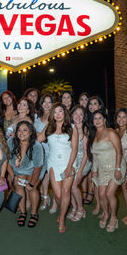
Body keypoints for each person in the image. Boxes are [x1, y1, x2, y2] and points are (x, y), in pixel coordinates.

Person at [88, 109, 126, 232]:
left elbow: (119, 152)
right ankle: (106, 213)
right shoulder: (93, 135)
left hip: (116, 166)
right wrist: (94, 170)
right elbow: (95, 155)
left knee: (109, 193)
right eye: (95, 119)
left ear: (104, 120)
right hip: (102, 169)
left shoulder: (110, 132)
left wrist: (118, 168)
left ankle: (114, 218)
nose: (97, 121)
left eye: (100, 118)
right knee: (101, 194)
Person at [45, 103, 78, 233]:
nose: (58, 114)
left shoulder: (72, 128)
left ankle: (62, 218)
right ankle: (62, 209)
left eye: (60, 111)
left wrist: (69, 167)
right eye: (55, 112)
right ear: (52, 114)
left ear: (65, 113)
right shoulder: (49, 128)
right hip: (53, 163)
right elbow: (36, 138)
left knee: (65, 192)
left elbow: (74, 149)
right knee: (58, 195)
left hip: (68, 163)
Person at [7, 121, 44, 228]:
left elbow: (38, 168)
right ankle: (23, 212)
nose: (21, 133)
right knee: (19, 187)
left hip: (33, 171)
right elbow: (7, 161)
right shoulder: (11, 142)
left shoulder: (37, 146)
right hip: (17, 171)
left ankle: (34, 214)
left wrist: (31, 184)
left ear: (31, 132)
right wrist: (13, 176)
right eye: (19, 130)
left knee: (31, 189)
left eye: (25, 130)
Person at [68, 105, 91, 221]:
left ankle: (81, 209)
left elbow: (86, 154)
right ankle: (74, 207)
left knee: (73, 186)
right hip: (72, 161)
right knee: (68, 186)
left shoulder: (85, 130)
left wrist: (81, 170)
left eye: (81, 114)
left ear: (84, 117)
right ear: (71, 115)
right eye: (75, 114)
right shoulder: (69, 128)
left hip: (84, 161)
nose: (78, 116)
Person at [35, 93, 55, 210]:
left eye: (49, 102)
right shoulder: (39, 116)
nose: (47, 104)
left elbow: (44, 136)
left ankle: (48, 198)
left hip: (48, 150)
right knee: (42, 175)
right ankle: (45, 196)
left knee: (48, 175)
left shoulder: (52, 118)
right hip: (38, 149)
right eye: (44, 102)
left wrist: (37, 135)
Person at [115, 108, 127, 225]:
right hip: (124, 164)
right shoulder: (116, 132)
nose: (121, 119)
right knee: (124, 187)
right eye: (119, 117)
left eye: (124, 117)